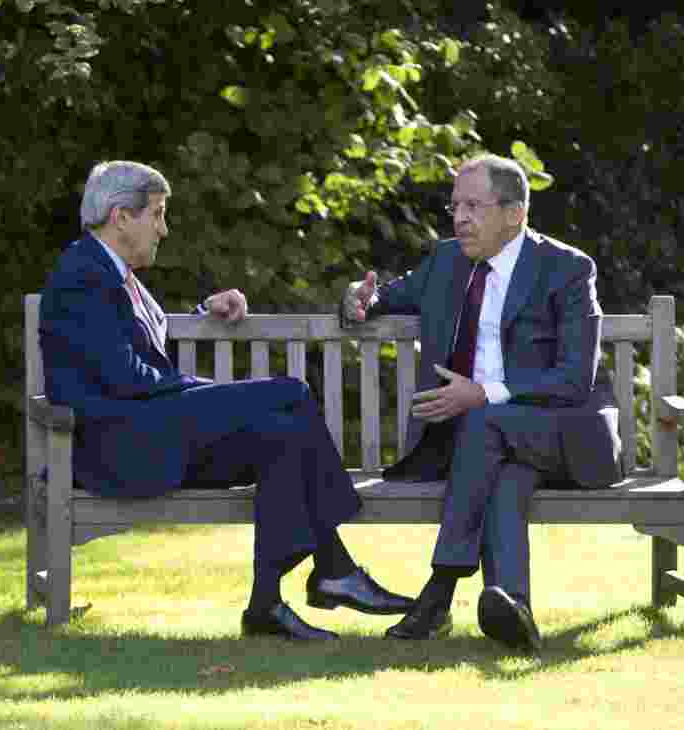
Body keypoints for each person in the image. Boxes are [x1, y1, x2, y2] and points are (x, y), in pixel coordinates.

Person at [39, 160, 414, 640]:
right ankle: (335, 570)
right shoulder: (83, 275)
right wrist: (204, 393)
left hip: (148, 432)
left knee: (281, 436)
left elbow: (132, 351)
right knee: (291, 394)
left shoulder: (108, 271)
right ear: (121, 216)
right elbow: (122, 375)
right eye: (156, 214)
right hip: (117, 450)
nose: (164, 228)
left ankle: (267, 606)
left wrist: (200, 314)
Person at [340, 155, 621, 651]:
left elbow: (576, 378)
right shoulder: (446, 261)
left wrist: (485, 393)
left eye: (473, 205)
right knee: (505, 478)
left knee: (486, 422)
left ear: (514, 213)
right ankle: (515, 610)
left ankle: (439, 590)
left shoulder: (568, 270)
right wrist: (355, 301)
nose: (459, 217)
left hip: (564, 436)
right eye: (455, 205)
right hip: (493, 452)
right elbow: (380, 299)